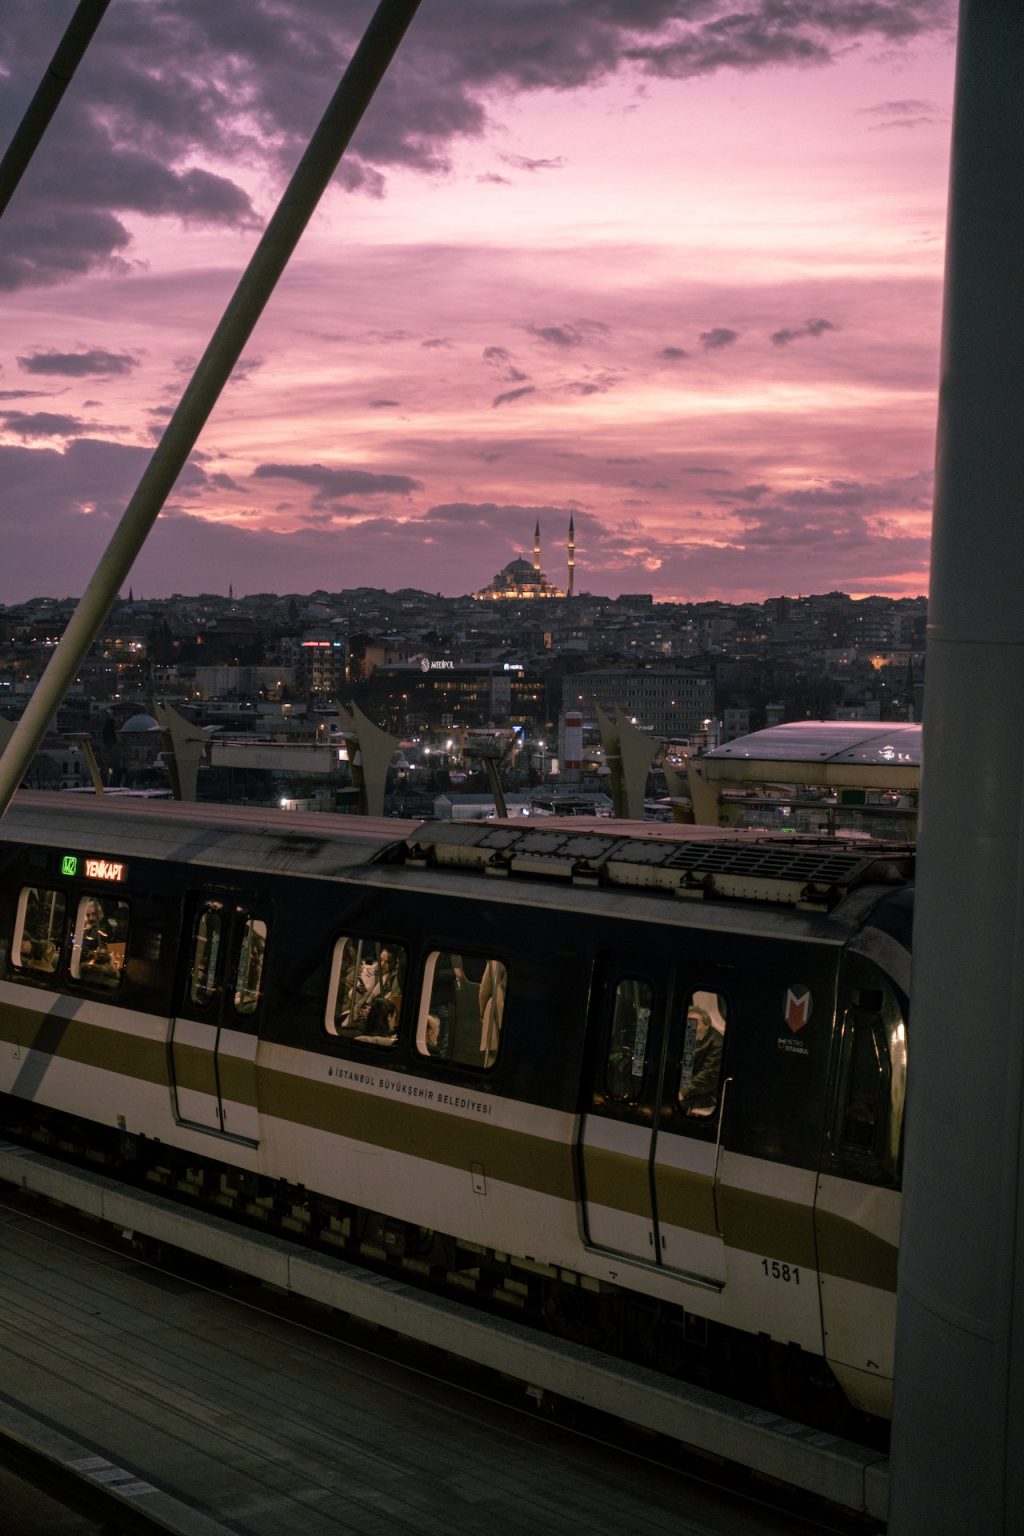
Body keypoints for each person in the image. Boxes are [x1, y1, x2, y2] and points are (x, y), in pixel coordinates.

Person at [678, 1005, 724, 1116]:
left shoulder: (717, 1043)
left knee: (677, 1104)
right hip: (688, 1084)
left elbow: (708, 1074)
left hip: (707, 1092)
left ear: (707, 1025)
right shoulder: (688, 1038)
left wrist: (684, 1092)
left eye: (695, 1023)